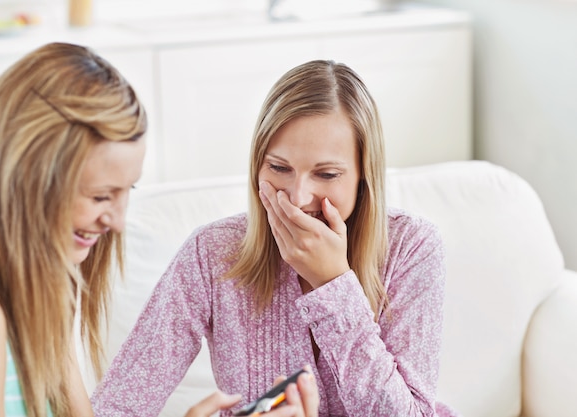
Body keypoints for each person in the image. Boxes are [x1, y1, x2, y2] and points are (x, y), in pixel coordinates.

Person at [0, 42, 316, 417]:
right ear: (23, 177)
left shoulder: (45, 292)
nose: (117, 221)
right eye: (99, 196)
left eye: (127, 191)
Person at [91, 59, 460, 416]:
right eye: (279, 167)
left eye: (327, 174)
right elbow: (120, 403)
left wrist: (332, 285)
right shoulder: (212, 254)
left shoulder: (412, 248)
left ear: (364, 173)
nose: (297, 198)